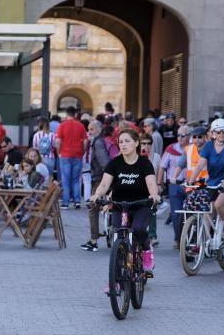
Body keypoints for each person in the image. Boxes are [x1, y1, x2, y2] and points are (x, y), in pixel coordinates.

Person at [89, 128, 161, 274]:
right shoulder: (114, 163)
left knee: (138, 229)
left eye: (127, 141)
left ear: (136, 143)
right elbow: (104, 184)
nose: (123, 144)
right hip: (120, 205)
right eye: (120, 142)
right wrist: (97, 195)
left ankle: (147, 251)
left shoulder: (144, 163)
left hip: (141, 204)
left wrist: (154, 195)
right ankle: (116, 280)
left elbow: (152, 184)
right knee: (119, 236)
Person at [189, 118, 224, 222]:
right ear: (214, 133)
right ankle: (207, 238)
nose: (222, 134)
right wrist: (191, 180)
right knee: (209, 211)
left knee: (219, 205)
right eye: (219, 132)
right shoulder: (209, 145)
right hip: (212, 182)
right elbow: (200, 164)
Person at [81, 120, 112, 252]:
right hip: (101, 178)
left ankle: (94, 241)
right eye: (89, 129)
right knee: (100, 208)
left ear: (99, 129)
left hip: (101, 179)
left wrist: (108, 180)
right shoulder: (99, 141)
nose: (89, 132)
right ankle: (99, 235)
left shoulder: (98, 143)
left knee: (93, 209)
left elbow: (105, 162)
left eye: (91, 129)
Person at [160, 126, 189, 246]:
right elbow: (162, 167)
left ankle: (189, 239)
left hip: (190, 185)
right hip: (175, 185)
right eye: (178, 135)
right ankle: (178, 239)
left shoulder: (194, 148)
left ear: (189, 136)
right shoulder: (171, 149)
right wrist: (159, 183)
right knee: (176, 214)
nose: (180, 138)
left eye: (183, 135)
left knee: (189, 213)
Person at [55, 106, 88, 209]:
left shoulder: (62, 125)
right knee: (75, 179)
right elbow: (86, 141)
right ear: (75, 114)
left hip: (65, 155)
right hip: (77, 155)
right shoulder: (80, 125)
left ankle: (65, 203)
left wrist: (58, 152)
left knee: (65, 179)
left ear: (66, 114)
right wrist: (83, 151)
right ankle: (77, 201)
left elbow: (57, 141)